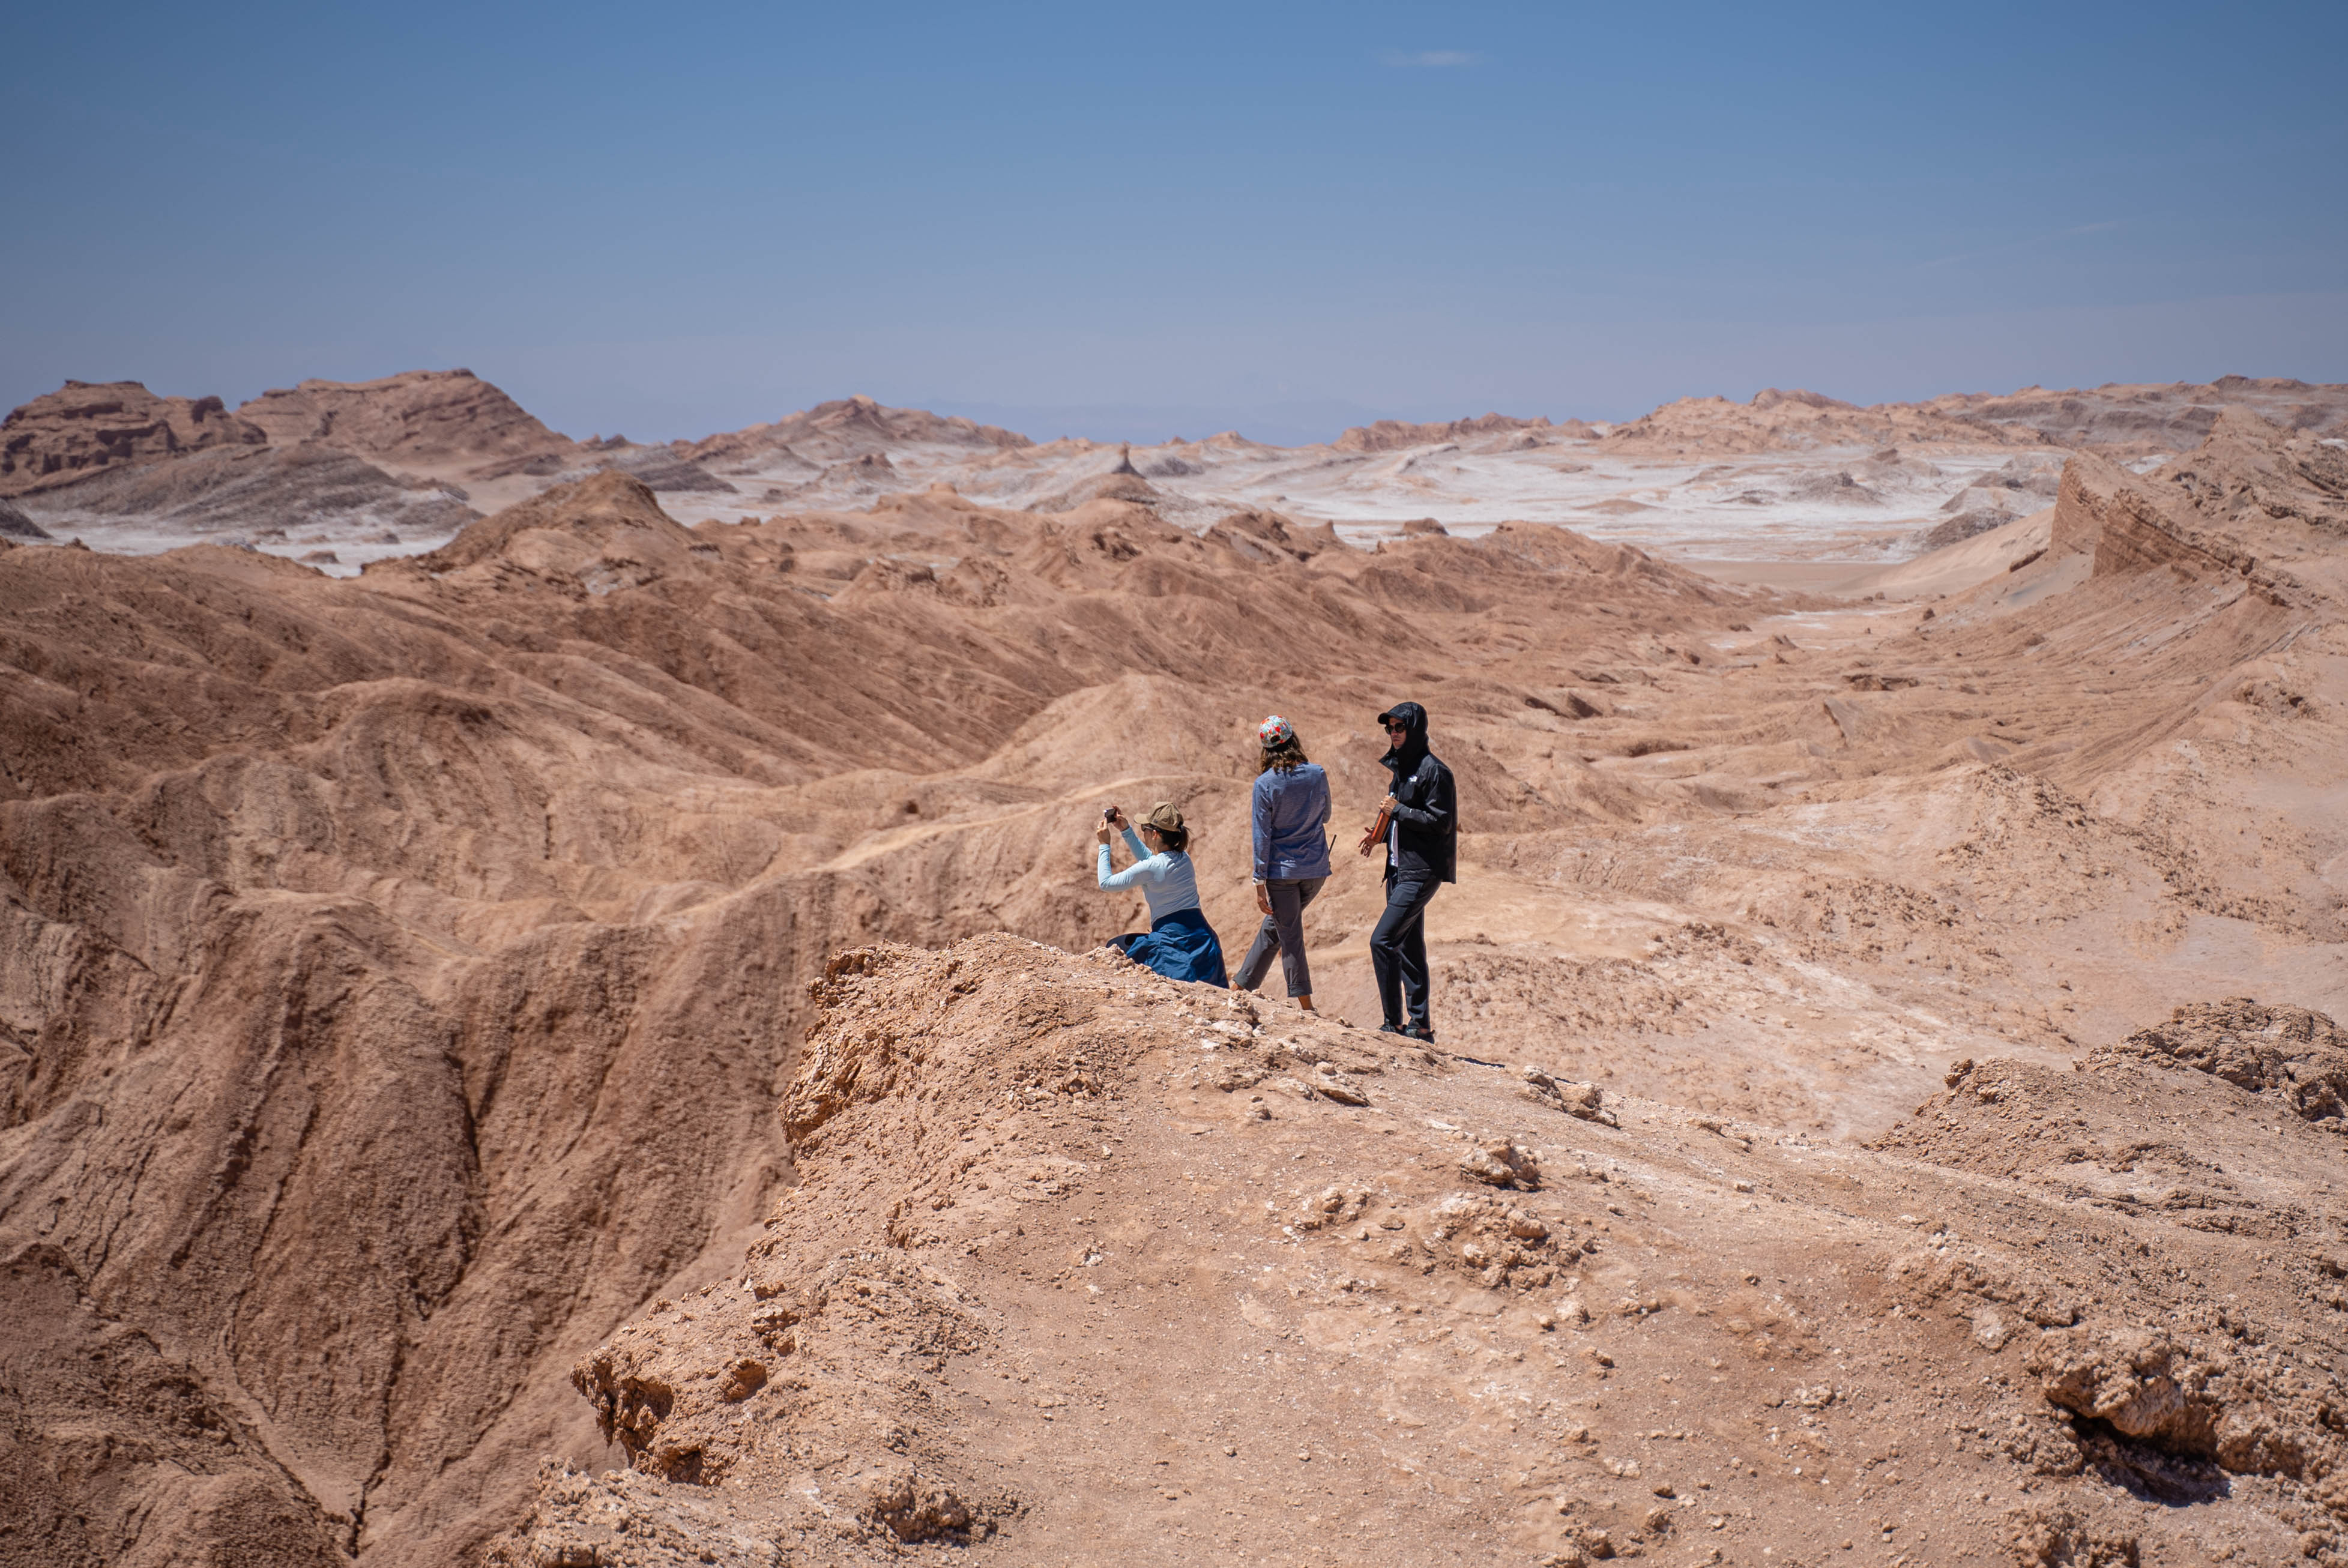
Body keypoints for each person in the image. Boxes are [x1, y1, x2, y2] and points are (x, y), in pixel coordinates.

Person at [1365, 701, 1455, 1040]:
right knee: (1409, 947)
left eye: (1399, 727)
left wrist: (1398, 809)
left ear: (1414, 728)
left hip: (1421, 871)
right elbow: (1400, 818)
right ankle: (1421, 1026)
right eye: (1389, 728)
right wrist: (1379, 837)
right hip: (1398, 869)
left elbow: (1440, 823)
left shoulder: (1435, 772)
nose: (1394, 733)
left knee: (1383, 941)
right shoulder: (1402, 769)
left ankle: (1393, 1024)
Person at [1232, 715, 1332, 1011]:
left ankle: (1306, 1007)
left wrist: (1259, 882)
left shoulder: (1264, 784)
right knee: (1276, 928)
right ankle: (1238, 987)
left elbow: (1262, 836)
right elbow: (1325, 816)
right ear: (1293, 740)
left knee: (1290, 935)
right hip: (1316, 871)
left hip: (1283, 874)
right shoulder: (1318, 774)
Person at [1095, 801, 1229, 986]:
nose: (1144, 832)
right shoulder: (1184, 859)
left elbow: (1106, 883)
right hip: (1204, 943)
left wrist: (1104, 845)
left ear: (1155, 834)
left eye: (1144, 829)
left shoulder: (1154, 867)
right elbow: (1152, 861)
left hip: (1174, 943)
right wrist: (1125, 830)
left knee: (1115, 947)